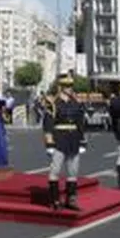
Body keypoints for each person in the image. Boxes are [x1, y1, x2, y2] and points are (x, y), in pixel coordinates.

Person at [43, 75, 88, 211]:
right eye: (67, 86)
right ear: (61, 88)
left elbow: (81, 124)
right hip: (59, 139)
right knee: (55, 170)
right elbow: (48, 125)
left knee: (73, 171)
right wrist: (49, 144)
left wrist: (83, 141)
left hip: (73, 139)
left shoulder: (77, 103)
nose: (70, 89)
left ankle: (71, 199)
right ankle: (55, 199)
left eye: (71, 86)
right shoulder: (54, 104)